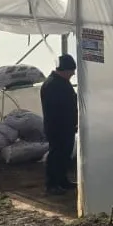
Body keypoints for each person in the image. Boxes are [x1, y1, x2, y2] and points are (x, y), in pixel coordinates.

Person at [40, 54, 78, 195]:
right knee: (56, 154)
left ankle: (62, 180)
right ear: (64, 70)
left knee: (65, 154)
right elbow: (58, 109)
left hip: (66, 126)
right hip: (57, 127)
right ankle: (51, 184)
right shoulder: (52, 85)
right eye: (71, 70)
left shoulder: (61, 82)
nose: (73, 73)